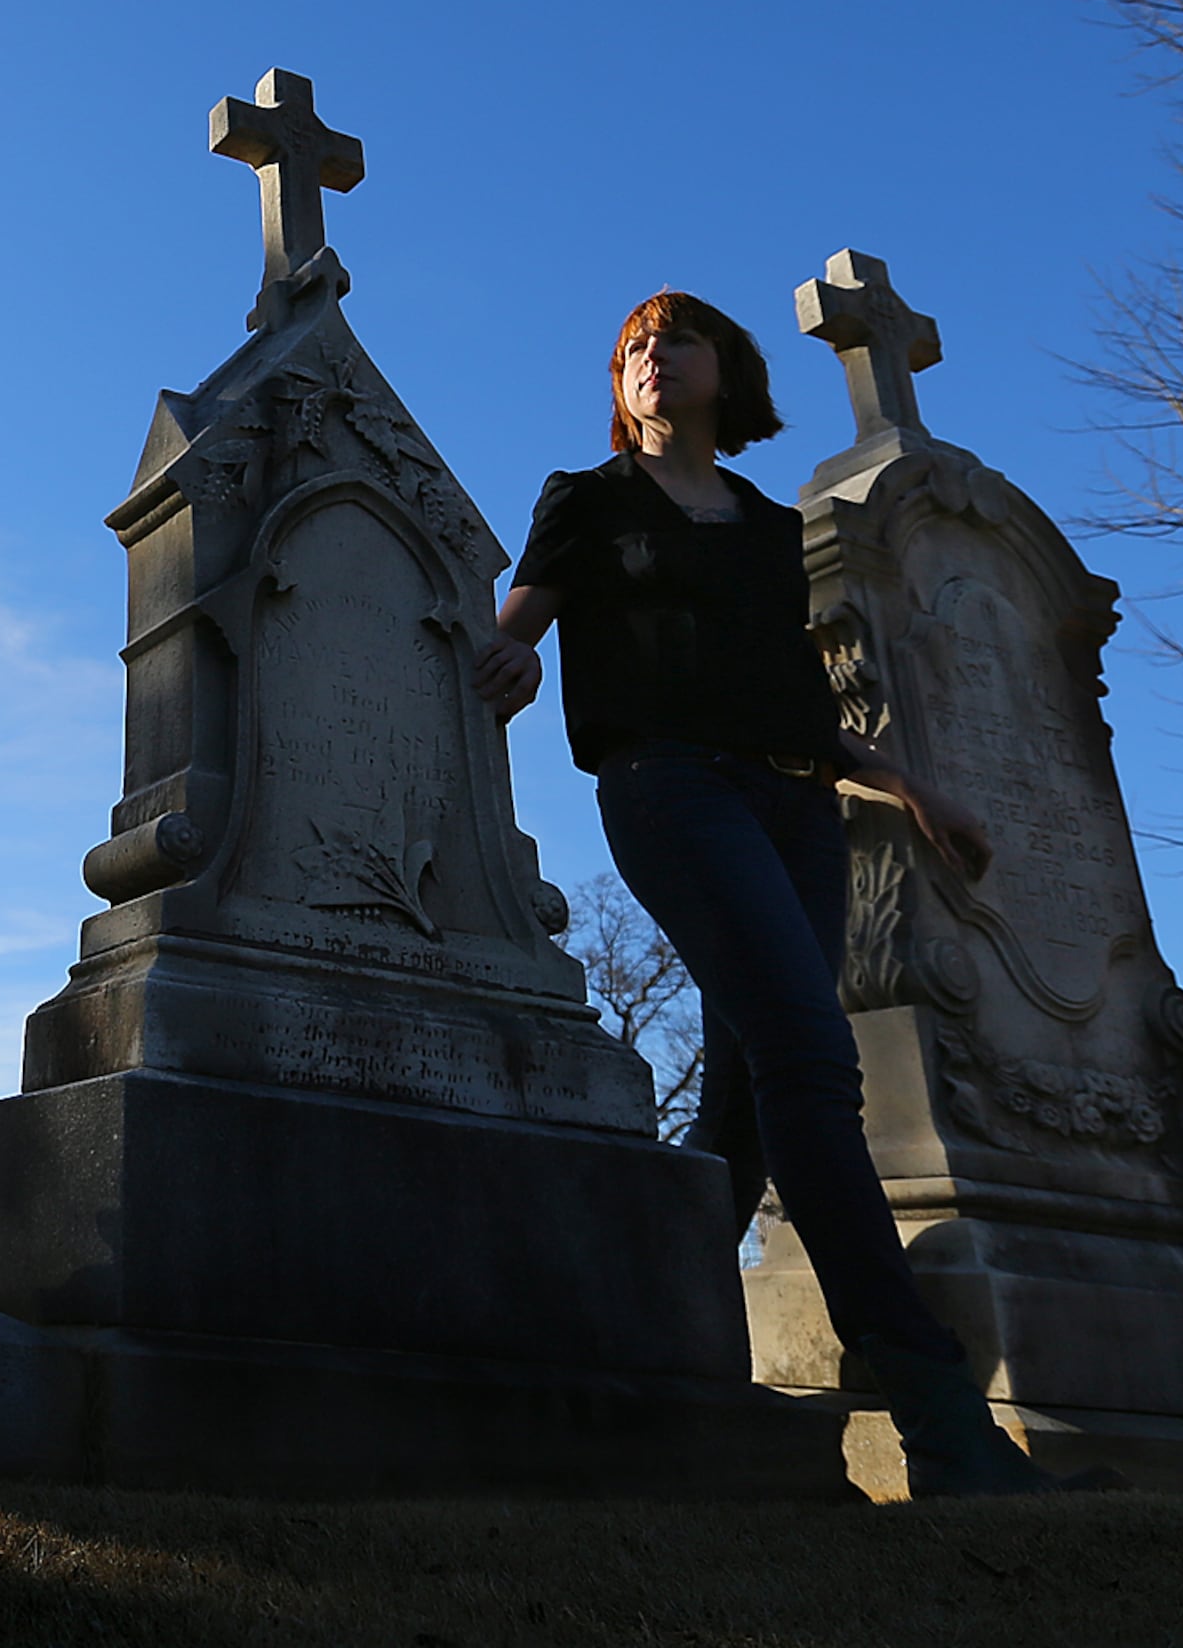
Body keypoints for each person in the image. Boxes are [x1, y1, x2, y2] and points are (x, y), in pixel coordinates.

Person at [471, 289, 1080, 1500]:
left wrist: (910, 791)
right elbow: (519, 623)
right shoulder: (587, 502)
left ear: (725, 372)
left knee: (753, 1095)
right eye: (634, 350)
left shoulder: (762, 523)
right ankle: (945, 1425)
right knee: (811, 1063)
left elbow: (797, 701)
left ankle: (656, 1364)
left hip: (799, 806)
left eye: (674, 342)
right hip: (670, 787)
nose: (652, 360)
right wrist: (511, 656)